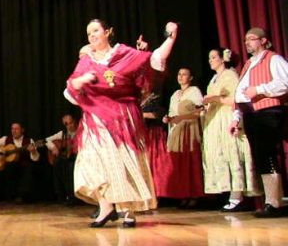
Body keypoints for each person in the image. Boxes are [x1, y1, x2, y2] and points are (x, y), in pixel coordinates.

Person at [64, 19, 177, 228]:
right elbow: (71, 87)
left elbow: (155, 59)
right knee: (90, 163)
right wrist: (80, 81)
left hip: (122, 118)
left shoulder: (123, 53)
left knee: (123, 162)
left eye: (96, 30)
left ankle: (128, 210)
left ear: (108, 32)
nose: (92, 35)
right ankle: (106, 207)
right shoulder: (86, 61)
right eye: (89, 33)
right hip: (95, 119)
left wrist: (171, 37)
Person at [229, 27, 288, 218]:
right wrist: (236, 118)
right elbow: (240, 94)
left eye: (252, 39)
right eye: (245, 39)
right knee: (261, 156)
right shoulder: (248, 64)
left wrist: (260, 89)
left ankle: (275, 203)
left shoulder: (273, 59)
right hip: (251, 114)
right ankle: (272, 201)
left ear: (263, 40)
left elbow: (285, 82)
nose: (247, 42)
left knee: (268, 154)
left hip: (268, 111)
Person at [202, 48, 261, 211]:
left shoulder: (230, 75)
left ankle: (238, 196)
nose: (210, 60)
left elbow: (237, 100)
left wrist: (215, 98)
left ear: (223, 59)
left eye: (213, 57)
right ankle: (231, 195)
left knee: (232, 154)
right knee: (221, 156)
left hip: (227, 116)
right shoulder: (214, 78)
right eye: (209, 58)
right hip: (214, 120)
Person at [161, 68, 205, 208]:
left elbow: (200, 111)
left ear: (190, 77)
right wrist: (168, 119)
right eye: (179, 74)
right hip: (177, 131)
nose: (181, 77)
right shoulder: (175, 94)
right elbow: (172, 112)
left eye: (184, 74)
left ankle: (195, 195)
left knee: (191, 161)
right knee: (179, 163)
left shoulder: (194, 91)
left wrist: (181, 118)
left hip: (190, 129)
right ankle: (184, 194)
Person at [0, 123, 40, 202]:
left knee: (29, 169)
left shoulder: (29, 141)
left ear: (22, 130)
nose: (13, 131)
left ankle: (22, 196)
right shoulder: (6, 139)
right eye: (12, 129)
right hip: (10, 167)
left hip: (24, 165)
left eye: (16, 129)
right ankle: (10, 196)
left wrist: (33, 151)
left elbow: (35, 159)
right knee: (10, 167)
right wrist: (1, 151)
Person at [45, 114, 80, 205]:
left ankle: (74, 196)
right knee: (59, 163)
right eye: (66, 124)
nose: (69, 126)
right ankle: (63, 195)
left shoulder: (81, 132)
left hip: (79, 158)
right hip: (68, 159)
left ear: (75, 121)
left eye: (70, 123)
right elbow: (46, 140)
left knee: (70, 166)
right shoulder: (63, 133)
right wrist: (53, 148)